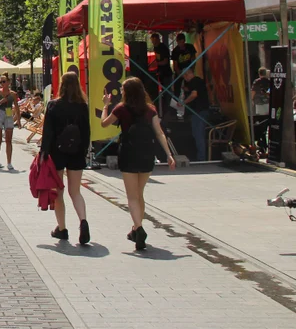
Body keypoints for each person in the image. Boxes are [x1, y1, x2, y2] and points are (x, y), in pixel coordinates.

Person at [100, 77, 175, 251]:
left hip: (128, 153)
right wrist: (169, 154)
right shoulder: (150, 110)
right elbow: (159, 133)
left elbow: (104, 124)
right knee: (139, 194)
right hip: (147, 154)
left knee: (132, 197)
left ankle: (139, 228)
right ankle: (135, 228)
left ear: (126, 92)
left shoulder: (121, 109)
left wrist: (105, 105)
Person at [41, 72, 91, 245]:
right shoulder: (82, 106)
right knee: (75, 191)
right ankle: (83, 221)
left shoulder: (54, 105)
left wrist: (43, 154)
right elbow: (86, 133)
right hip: (77, 153)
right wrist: (83, 151)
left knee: (59, 192)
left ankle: (62, 229)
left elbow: (47, 133)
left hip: (57, 153)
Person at [0, 73, 19, 170]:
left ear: (9, 82)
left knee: (9, 140)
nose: (2, 83)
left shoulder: (13, 94)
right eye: (0, 82)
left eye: (4, 81)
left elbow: (17, 107)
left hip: (8, 113)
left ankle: (9, 162)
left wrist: (18, 120)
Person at [181, 71, 210, 161]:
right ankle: (200, 156)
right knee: (196, 134)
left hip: (200, 111)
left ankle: (201, 157)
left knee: (198, 134)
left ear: (187, 74)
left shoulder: (195, 81)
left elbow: (194, 94)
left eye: (185, 77)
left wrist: (183, 102)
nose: (185, 79)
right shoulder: (197, 82)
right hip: (197, 111)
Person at [170, 33, 196, 115]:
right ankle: (174, 110)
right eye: (179, 42)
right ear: (177, 42)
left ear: (184, 41)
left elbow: (193, 59)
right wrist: (181, 74)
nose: (181, 44)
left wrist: (191, 71)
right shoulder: (175, 51)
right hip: (180, 72)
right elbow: (175, 65)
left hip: (189, 72)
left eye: (183, 42)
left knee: (190, 89)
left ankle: (189, 110)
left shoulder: (190, 47)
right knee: (176, 91)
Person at [150, 33, 172, 112]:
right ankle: (165, 107)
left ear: (157, 39)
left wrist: (157, 64)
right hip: (160, 73)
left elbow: (165, 62)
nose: (153, 43)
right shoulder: (155, 48)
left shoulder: (163, 48)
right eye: (152, 41)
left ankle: (169, 108)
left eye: (154, 41)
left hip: (166, 73)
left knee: (167, 91)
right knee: (162, 91)